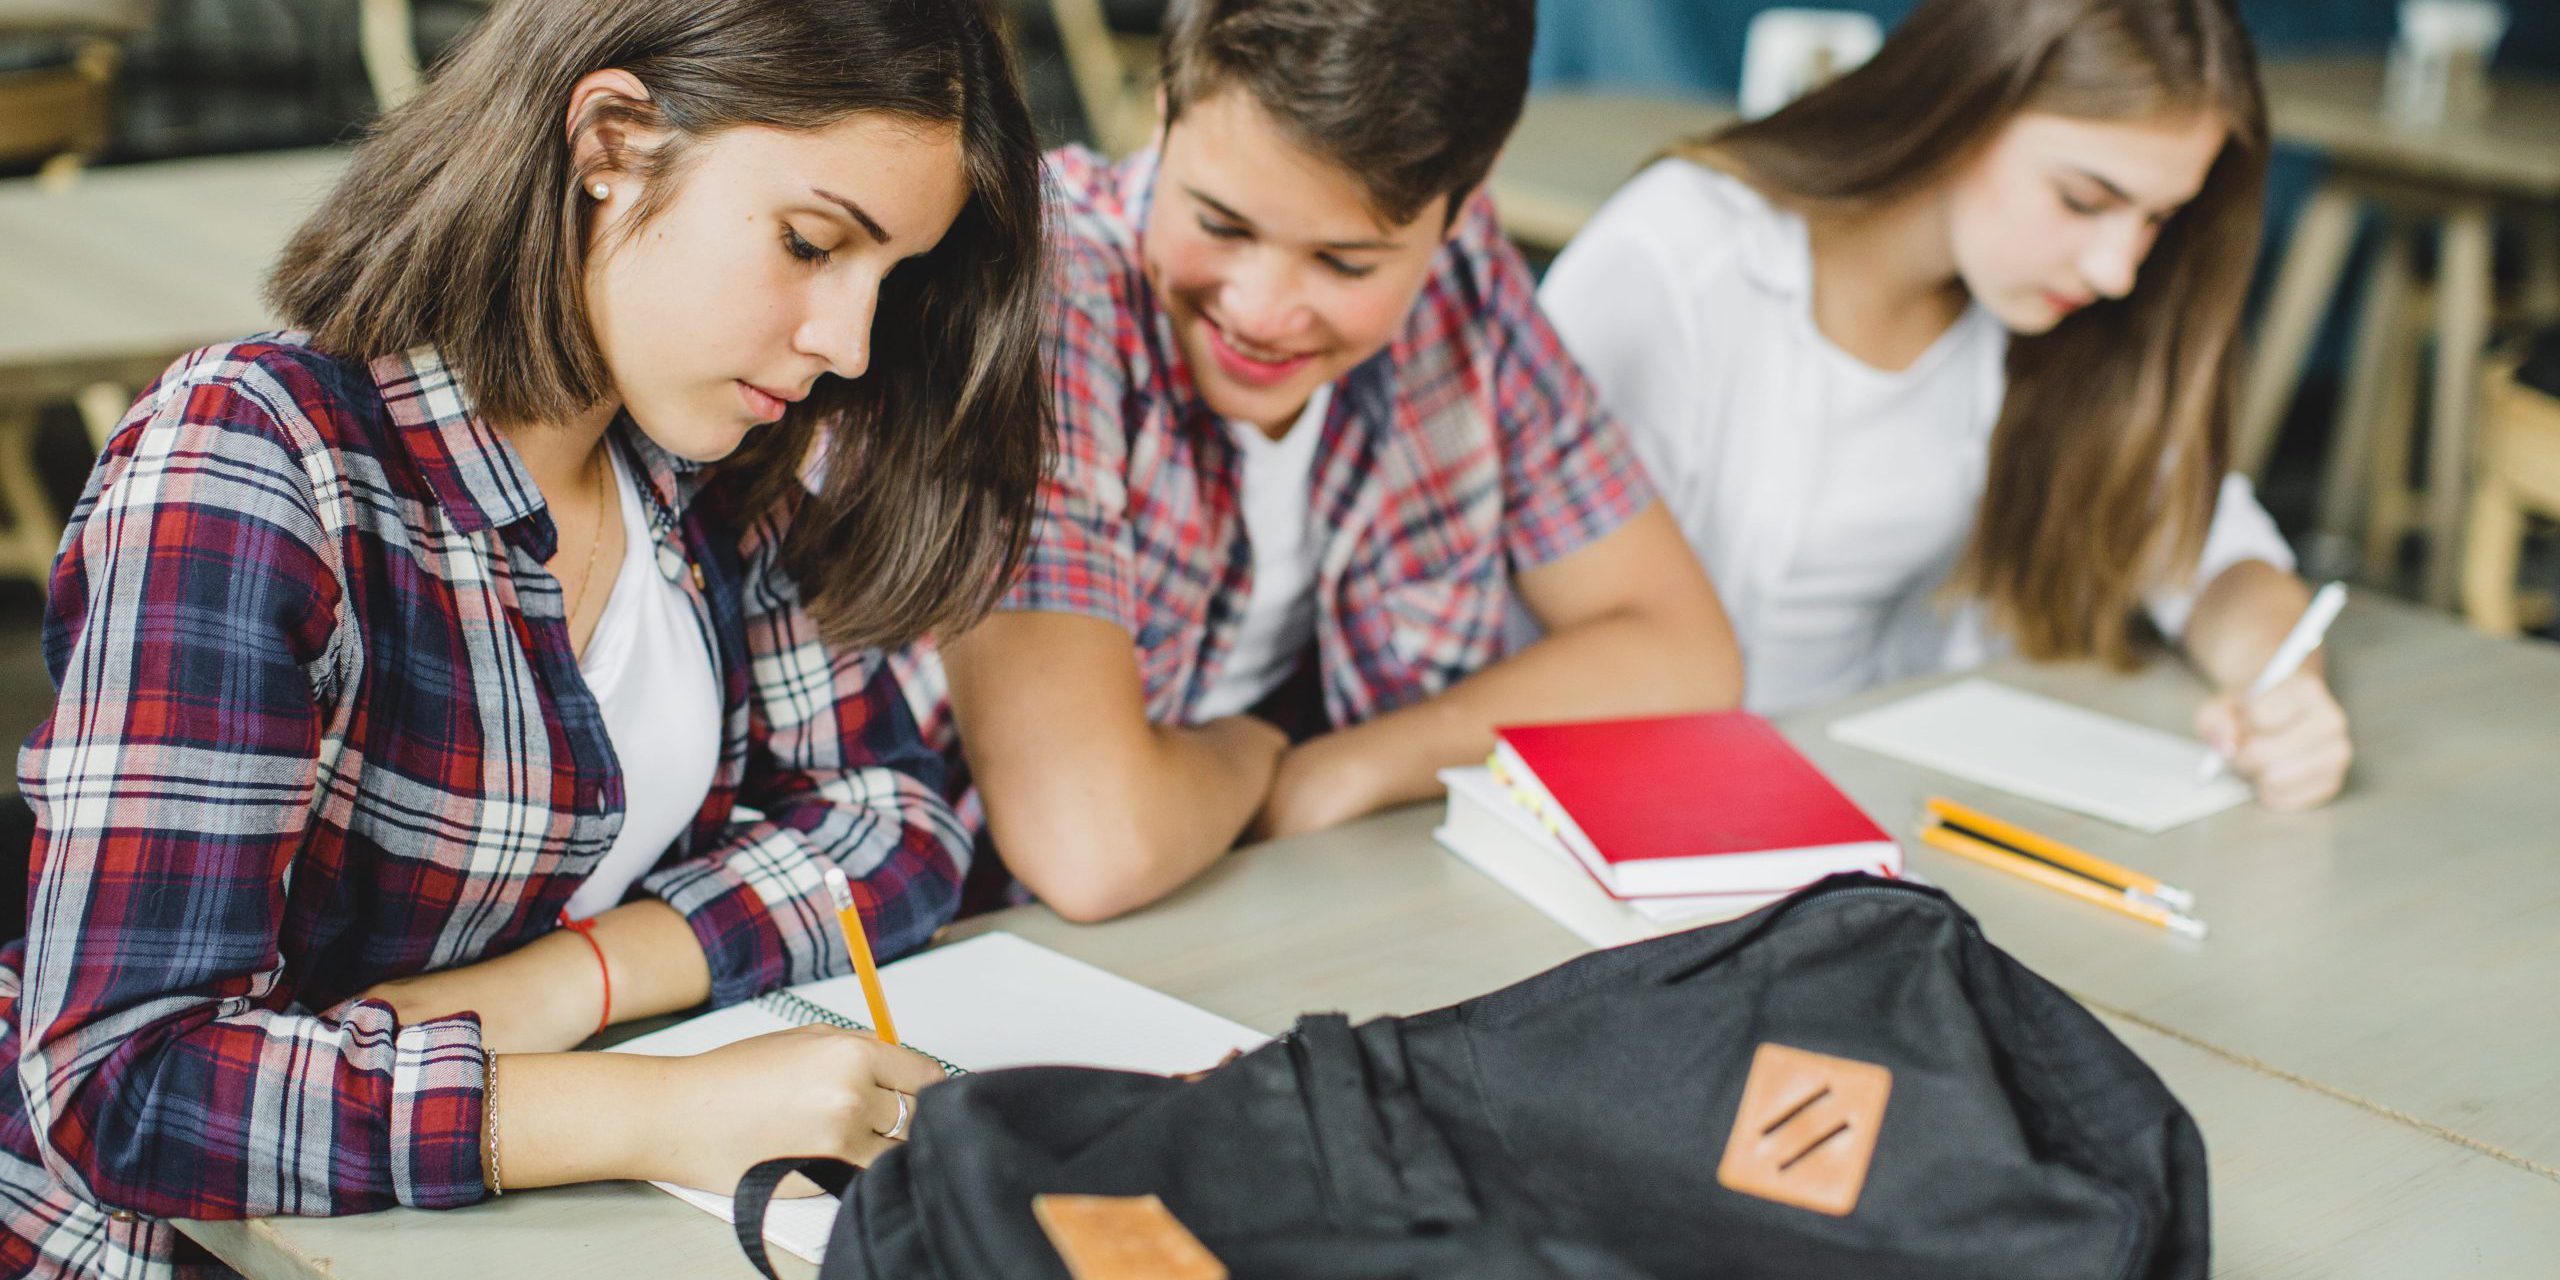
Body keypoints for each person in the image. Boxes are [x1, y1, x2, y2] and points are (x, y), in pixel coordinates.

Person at [1, 0, 1048, 1273]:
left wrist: (562, 985)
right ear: (611, 140)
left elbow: (891, 819)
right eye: (809, 242)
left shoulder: (711, 462)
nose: (845, 342)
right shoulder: (259, 461)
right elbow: (128, 1084)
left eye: (892, 278)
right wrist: (659, 1107)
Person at [898, 0, 1743, 924]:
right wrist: (1253, 750)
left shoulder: (1461, 284)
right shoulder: (1048, 294)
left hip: (1276, 909)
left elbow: (1683, 649)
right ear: (1163, 103)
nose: (1261, 310)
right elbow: (1093, 848)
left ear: (1464, 202)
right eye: (1219, 223)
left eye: (1344, 264)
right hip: (972, 946)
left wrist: (1351, 767)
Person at [1540, 0, 2351, 810]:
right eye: (2082, 199)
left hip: (1881, 807)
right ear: (1964, 101)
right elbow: (1556, 620)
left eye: (2157, 220)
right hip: (1645, 805)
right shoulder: (1679, 256)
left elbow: (2214, 555)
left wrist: (2284, 690)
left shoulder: (2063, 320)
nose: (2117, 270)